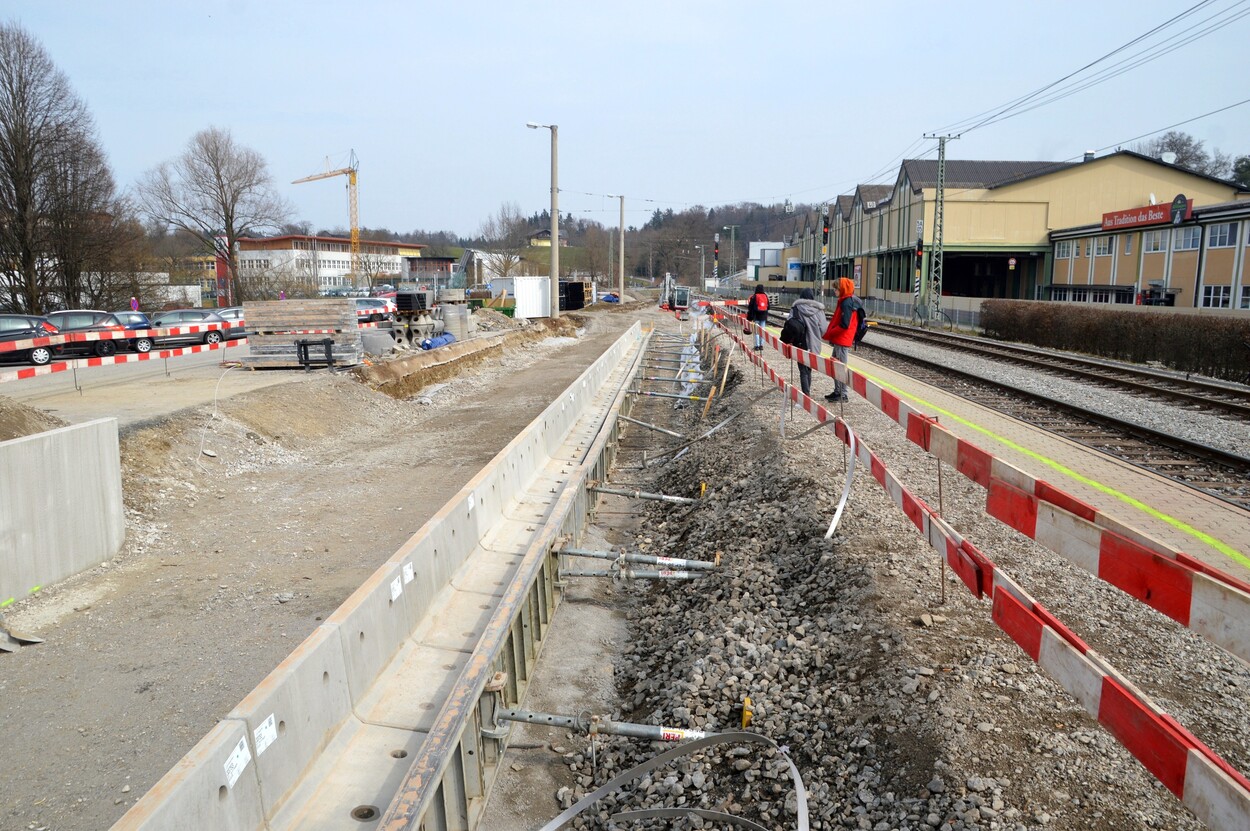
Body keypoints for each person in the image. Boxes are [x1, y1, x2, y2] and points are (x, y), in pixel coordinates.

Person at [822, 277, 863, 403]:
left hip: (842, 339)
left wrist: (831, 333)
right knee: (835, 364)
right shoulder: (846, 301)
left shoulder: (846, 303)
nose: (834, 291)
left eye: (836, 288)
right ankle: (838, 391)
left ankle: (843, 394)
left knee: (840, 366)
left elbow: (844, 324)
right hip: (841, 339)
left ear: (842, 289)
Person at [782, 288, 827, 396]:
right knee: (809, 368)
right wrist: (816, 335)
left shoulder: (796, 308)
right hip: (814, 343)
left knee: (802, 370)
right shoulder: (819, 310)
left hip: (800, 342)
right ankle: (807, 392)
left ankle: (806, 394)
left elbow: (789, 323)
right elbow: (824, 328)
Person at [745, 284, 770, 351]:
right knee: (762, 331)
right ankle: (761, 345)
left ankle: (757, 346)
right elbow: (769, 307)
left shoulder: (754, 296)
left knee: (756, 332)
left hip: (756, 316)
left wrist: (750, 316)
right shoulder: (765, 296)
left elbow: (750, 307)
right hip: (763, 317)